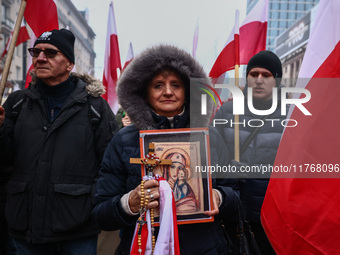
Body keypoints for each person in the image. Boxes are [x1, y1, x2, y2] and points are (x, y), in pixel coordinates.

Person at [92, 44, 239, 255]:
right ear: (145, 93)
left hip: (204, 248)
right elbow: (100, 213)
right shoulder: (124, 141)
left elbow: (234, 194)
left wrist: (219, 197)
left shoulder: (211, 138)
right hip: (144, 248)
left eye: (176, 85)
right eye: (158, 85)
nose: (168, 92)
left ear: (188, 91)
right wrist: (129, 204)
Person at [0, 29, 117, 255]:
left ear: (70, 64)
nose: (40, 58)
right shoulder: (17, 103)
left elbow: (109, 166)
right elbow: (5, 161)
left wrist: (90, 204)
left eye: (51, 53)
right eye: (36, 52)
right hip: (25, 230)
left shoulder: (95, 107)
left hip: (77, 231)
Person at [213, 50, 286, 254]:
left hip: (271, 216)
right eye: (254, 74)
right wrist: (229, 168)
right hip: (230, 211)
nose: (259, 80)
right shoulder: (227, 111)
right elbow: (212, 156)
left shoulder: (290, 116)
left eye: (266, 75)